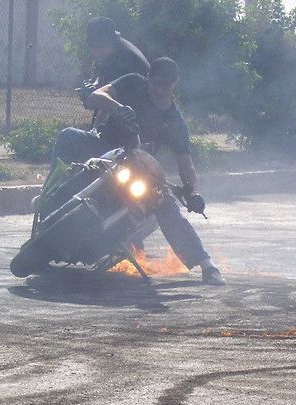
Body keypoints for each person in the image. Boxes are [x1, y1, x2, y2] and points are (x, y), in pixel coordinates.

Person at [50, 57, 225, 286]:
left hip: (135, 165)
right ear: (149, 78)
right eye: (156, 83)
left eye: (166, 85)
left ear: (175, 84)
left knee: (164, 201)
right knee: (68, 136)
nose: (159, 89)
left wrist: (192, 193)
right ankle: (50, 199)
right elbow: (96, 96)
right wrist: (119, 107)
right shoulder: (132, 83)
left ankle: (206, 265)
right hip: (101, 149)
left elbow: (186, 163)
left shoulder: (175, 121)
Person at [78, 17, 150, 118]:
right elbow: (101, 78)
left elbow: (109, 98)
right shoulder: (110, 53)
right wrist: (92, 86)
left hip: (138, 113)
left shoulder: (124, 58)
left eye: (101, 46)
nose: (97, 51)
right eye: (93, 46)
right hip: (122, 109)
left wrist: (93, 95)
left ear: (113, 41)